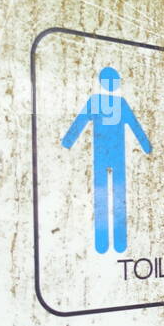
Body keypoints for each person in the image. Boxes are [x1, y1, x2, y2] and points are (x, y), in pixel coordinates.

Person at [62, 66, 152, 254]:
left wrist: (68, 141)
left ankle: (107, 242)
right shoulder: (117, 103)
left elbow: (79, 123)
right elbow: (135, 127)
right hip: (112, 153)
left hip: (104, 153)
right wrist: (146, 145)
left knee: (106, 193)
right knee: (113, 194)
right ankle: (114, 241)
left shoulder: (101, 102)